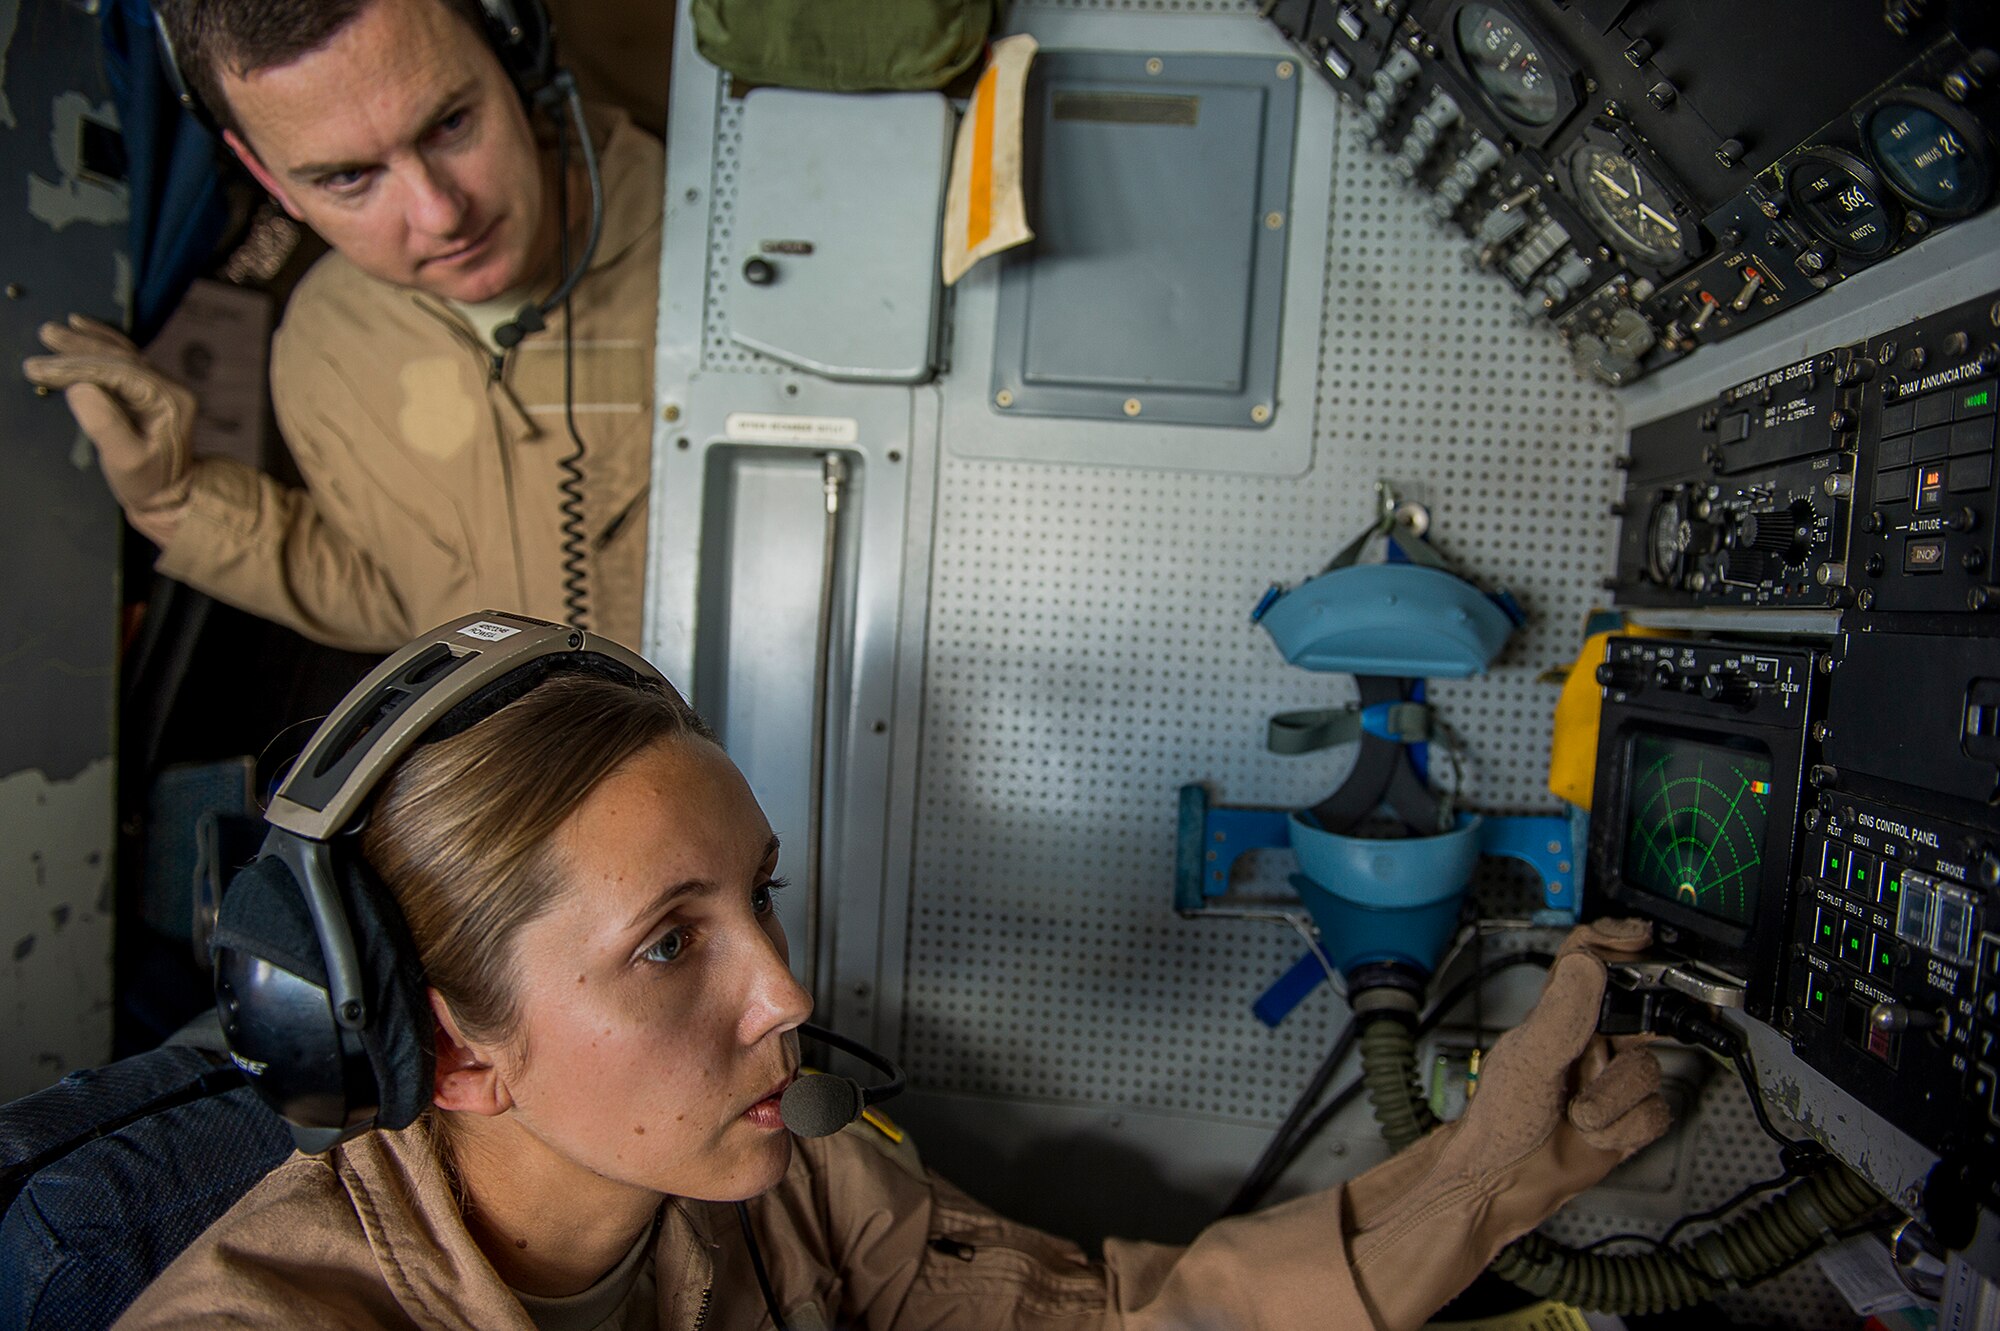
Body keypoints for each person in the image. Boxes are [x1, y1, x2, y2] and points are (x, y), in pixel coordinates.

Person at [111, 628, 1672, 1330]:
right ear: (451, 1053)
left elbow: (1141, 1323)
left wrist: (1493, 1167)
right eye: (671, 941)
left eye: (757, 894)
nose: (785, 989)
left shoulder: (775, 1184)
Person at [22, 0, 660, 651]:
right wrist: (179, 502)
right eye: (350, 177)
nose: (439, 213)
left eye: (450, 124)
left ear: (511, 50)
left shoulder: (719, 253)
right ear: (266, 175)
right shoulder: (324, 339)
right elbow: (403, 598)